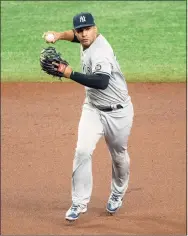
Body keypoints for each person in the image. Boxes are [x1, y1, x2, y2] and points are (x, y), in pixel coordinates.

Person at [43, 12, 134, 221]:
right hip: (92, 108)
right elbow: (74, 36)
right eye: (80, 30)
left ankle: (118, 193)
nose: (83, 34)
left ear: (96, 29)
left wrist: (69, 73)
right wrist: (58, 35)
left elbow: (101, 82)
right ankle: (79, 202)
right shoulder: (83, 39)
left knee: (119, 157)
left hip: (118, 112)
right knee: (82, 151)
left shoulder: (101, 51)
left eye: (88, 29)